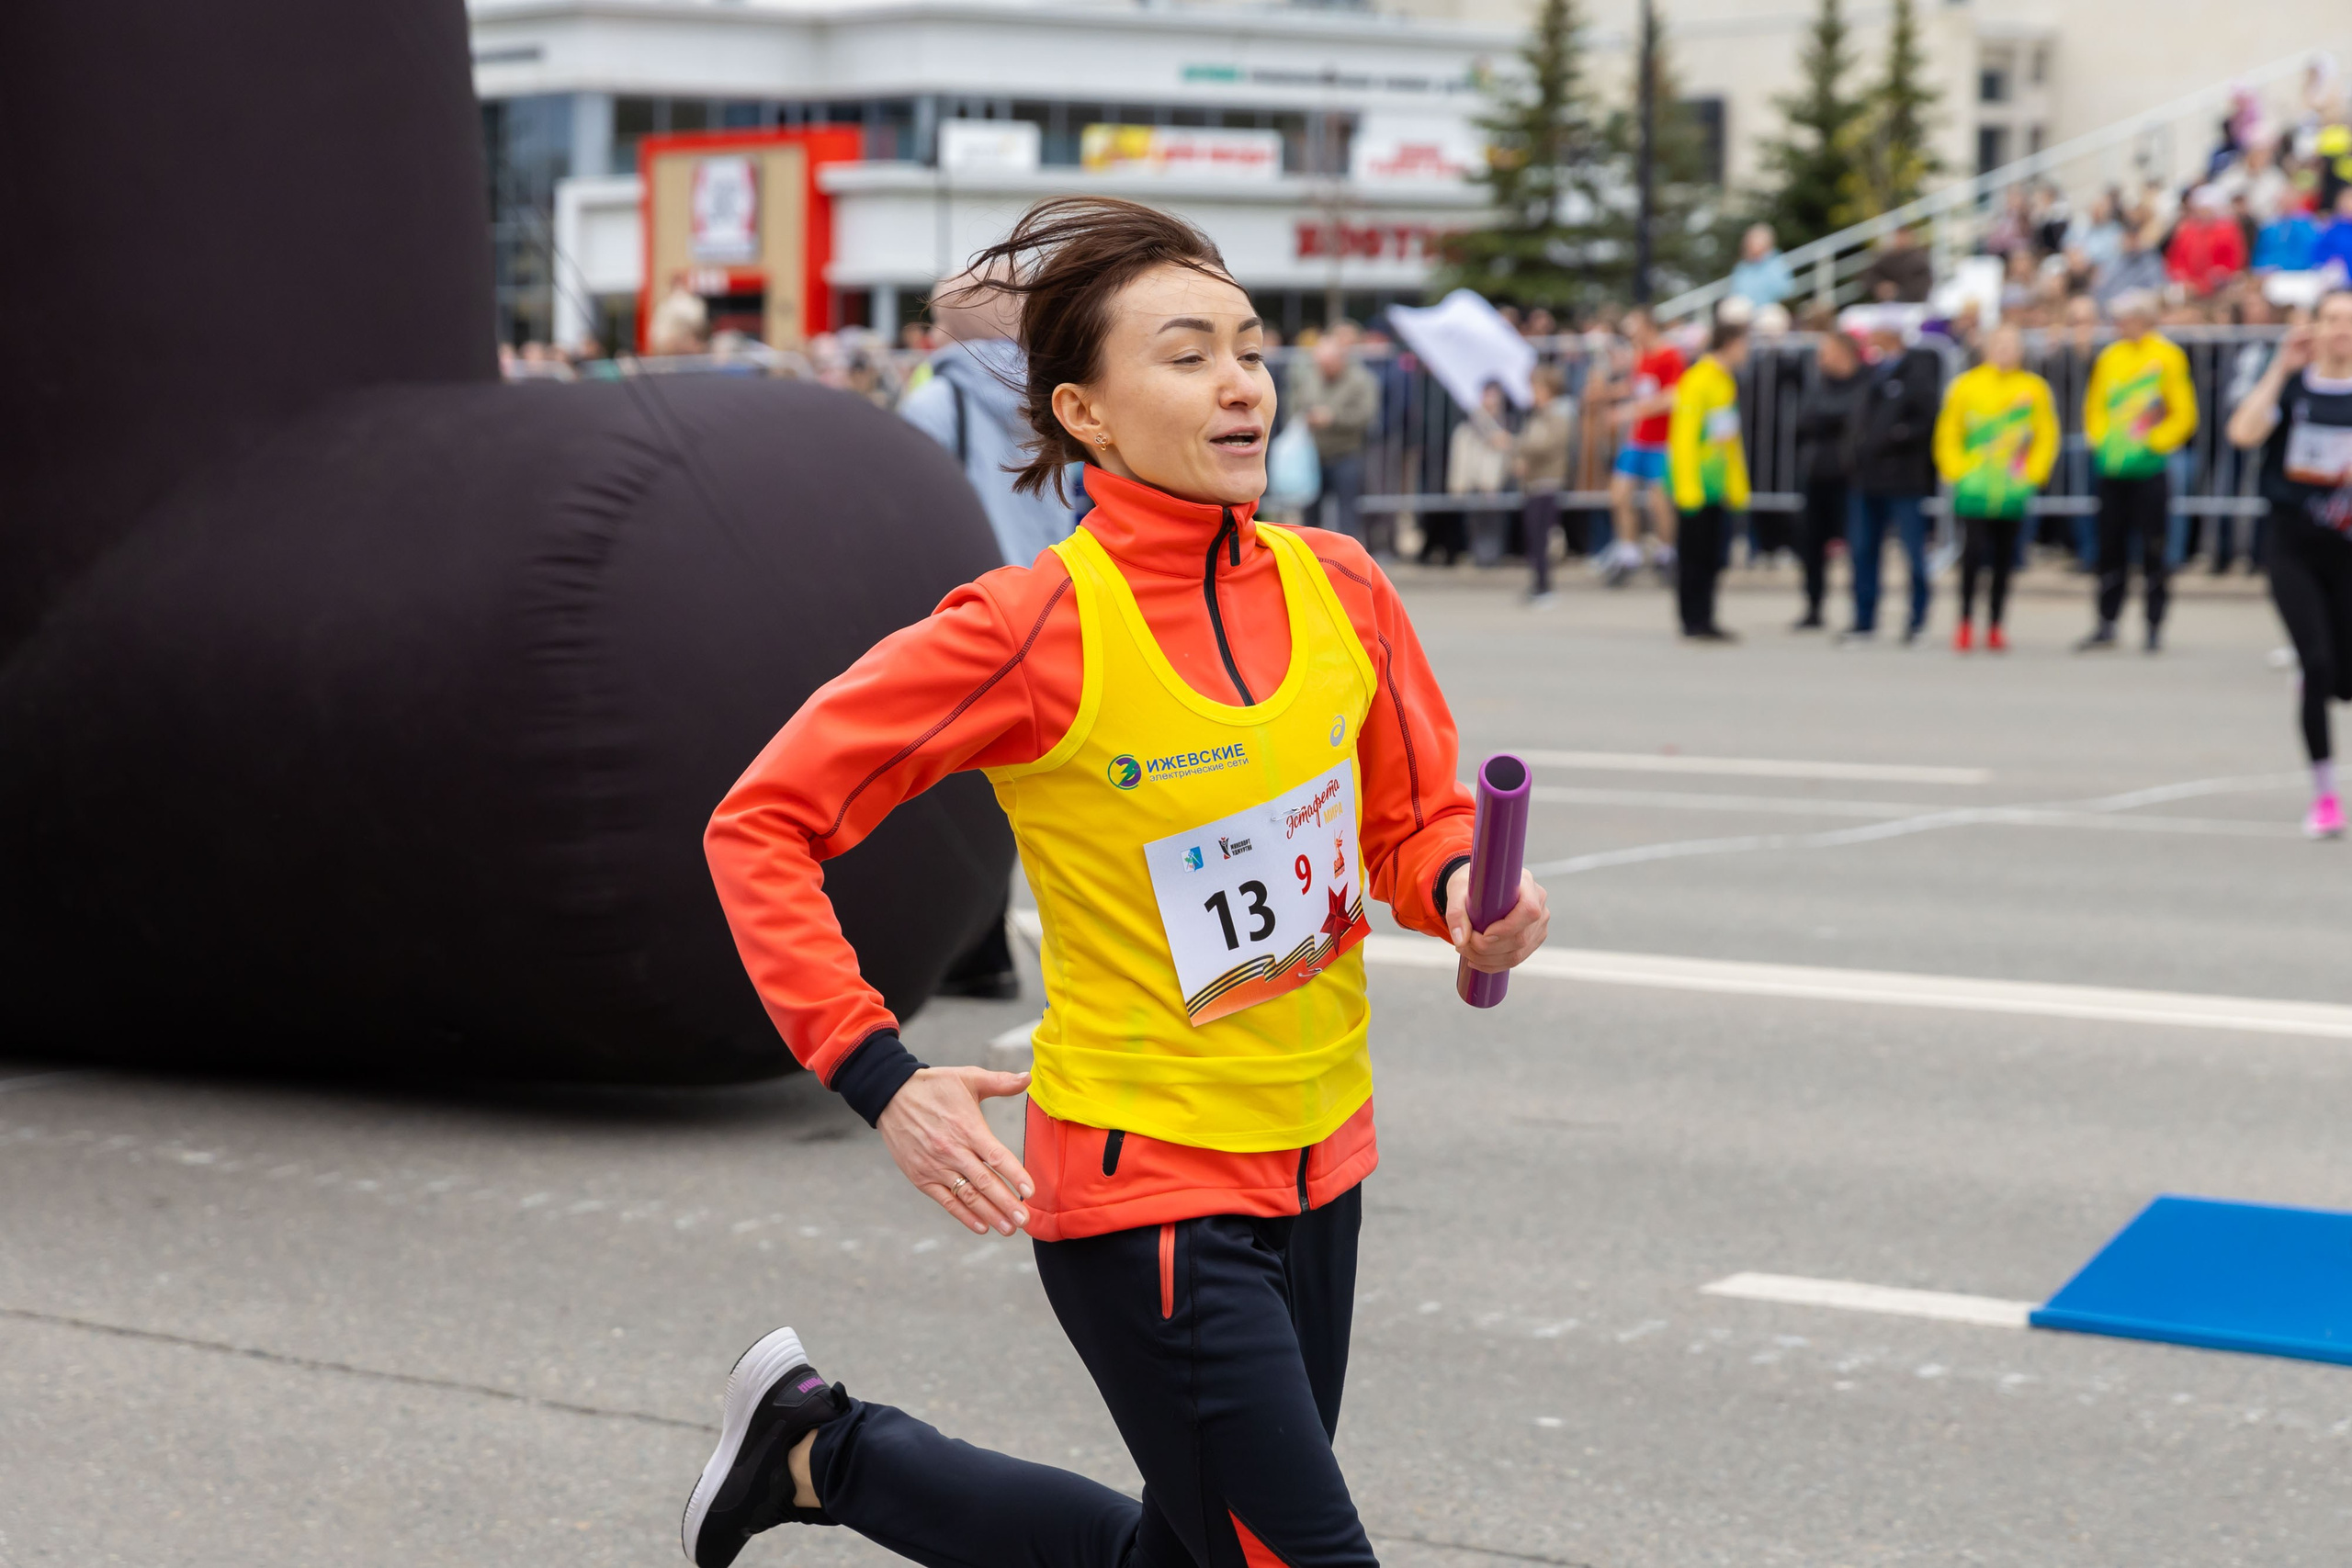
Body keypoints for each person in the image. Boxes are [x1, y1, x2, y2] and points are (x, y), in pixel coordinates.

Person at [681, 196, 1551, 1568]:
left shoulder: (1343, 585)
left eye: (1251, 347)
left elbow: (1412, 822)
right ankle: (822, 1448)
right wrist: (876, 1069)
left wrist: (1463, 891)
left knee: (1196, 1555)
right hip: (1149, 1190)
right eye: (1189, 352)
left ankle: (818, 1446)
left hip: (1323, 1163)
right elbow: (762, 821)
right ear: (1084, 413)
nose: (1242, 381)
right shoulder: (1031, 628)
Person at [899, 264, 1084, 1001]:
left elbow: (910, 496)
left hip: (973, 605)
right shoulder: (1060, 397)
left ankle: (975, 945)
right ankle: (1018, 943)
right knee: (1037, 774)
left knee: (954, 773)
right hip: (1055, 599)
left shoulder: (940, 398)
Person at [2227, 290, 2352, 837]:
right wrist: (2281, 367)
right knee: (2318, 664)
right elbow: (2242, 433)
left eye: (2350, 322)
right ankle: (2325, 796)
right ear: (2315, 329)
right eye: (2332, 320)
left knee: (2344, 682)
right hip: (2293, 547)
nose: (2341, 330)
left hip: (2348, 553)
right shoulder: (2295, 385)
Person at [2078, 290, 2198, 651]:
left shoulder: (2167, 357)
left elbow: (2184, 412)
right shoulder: (2111, 356)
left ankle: (2154, 624)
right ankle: (2106, 621)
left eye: (2127, 318)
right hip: (2113, 466)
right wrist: (2104, 440)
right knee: (2110, 546)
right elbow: (2096, 405)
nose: (2121, 325)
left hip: (2150, 467)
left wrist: (2154, 442)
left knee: (2153, 547)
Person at [1935, 322, 2058, 652]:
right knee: (1972, 556)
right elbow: (1949, 431)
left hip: (2012, 488)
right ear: (1987, 349)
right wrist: (1956, 469)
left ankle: (1995, 624)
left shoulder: (2033, 389)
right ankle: (1964, 621)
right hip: (1974, 487)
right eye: (1999, 344)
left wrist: (2033, 474)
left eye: (2011, 345)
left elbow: (2046, 435)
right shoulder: (1966, 386)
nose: (2005, 351)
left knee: (2006, 559)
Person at [1843, 323, 1941, 643]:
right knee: (1863, 551)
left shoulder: (1916, 373)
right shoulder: (1870, 374)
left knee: (1913, 552)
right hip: (1867, 477)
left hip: (1903, 479)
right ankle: (1864, 619)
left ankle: (1917, 620)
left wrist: (1895, 436)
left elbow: (1927, 420)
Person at [1666, 316, 1750, 642]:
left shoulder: (1724, 381)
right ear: (1729, 343)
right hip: (1697, 484)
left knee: (1714, 555)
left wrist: (1736, 484)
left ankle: (1707, 617)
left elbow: (1727, 439)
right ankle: (1692, 619)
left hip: (1717, 485)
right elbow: (1683, 438)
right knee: (1693, 556)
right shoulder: (1698, 380)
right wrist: (1687, 487)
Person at [1791, 329, 1866, 629]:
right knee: (1810, 546)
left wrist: (1826, 420)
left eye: (1827, 353)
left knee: (1859, 545)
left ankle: (1861, 610)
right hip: (1815, 474)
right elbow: (1804, 420)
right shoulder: (1817, 384)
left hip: (1849, 477)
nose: (1821, 359)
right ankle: (1813, 606)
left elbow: (1850, 418)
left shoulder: (1863, 384)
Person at [1601, 307, 1683, 585]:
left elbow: (1672, 396)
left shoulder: (1669, 355)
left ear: (1648, 326)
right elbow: (1637, 387)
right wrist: (1608, 394)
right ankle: (1628, 552)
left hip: (1662, 440)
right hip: (1638, 438)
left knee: (1658, 502)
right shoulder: (1641, 357)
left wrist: (1630, 412)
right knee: (1619, 495)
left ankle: (1665, 554)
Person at [1287, 321, 1379, 542]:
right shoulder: (1311, 378)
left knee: (1347, 511)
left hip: (1346, 453)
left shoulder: (1361, 380)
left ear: (1340, 360)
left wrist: (1333, 418)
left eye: (1329, 365)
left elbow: (1366, 416)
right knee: (1310, 510)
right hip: (1313, 454)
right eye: (1321, 364)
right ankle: (1310, 553)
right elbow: (1294, 406)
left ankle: (1349, 555)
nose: (1324, 369)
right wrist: (1306, 417)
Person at [1515, 362, 1577, 600]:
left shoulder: (1558, 414)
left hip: (1547, 481)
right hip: (1535, 481)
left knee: (1542, 536)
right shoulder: (1540, 415)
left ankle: (1544, 586)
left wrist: (1519, 447)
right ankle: (1538, 583)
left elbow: (1548, 444)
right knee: (1534, 536)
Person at [1448, 381, 1517, 567]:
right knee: (1475, 522)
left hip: (1496, 483)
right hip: (1474, 481)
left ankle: (1492, 557)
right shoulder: (1470, 426)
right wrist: (1458, 484)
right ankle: (1479, 556)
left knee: (1495, 523)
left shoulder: (1506, 424)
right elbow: (1461, 457)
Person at [2165, 186, 2250, 297]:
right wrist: (2183, 278)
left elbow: (2235, 259)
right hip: (2189, 285)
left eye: (2206, 209)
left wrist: (2216, 276)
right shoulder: (2186, 231)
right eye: (2200, 209)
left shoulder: (2228, 230)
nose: (2202, 213)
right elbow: (2176, 260)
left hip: (2219, 284)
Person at [1856, 226, 1933, 304]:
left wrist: (1897, 292)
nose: (1901, 240)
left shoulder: (1919, 259)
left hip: (1913, 303)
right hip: (1888, 304)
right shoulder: (1888, 257)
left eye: (1903, 236)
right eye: (1898, 237)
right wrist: (1880, 285)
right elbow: (1870, 275)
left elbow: (1922, 286)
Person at [1728, 223, 1794, 308]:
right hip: (1746, 311)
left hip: (1770, 309)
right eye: (1751, 242)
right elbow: (1736, 292)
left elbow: (1784, 292)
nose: (1752, 246)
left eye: (1756, 242)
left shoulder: (1777, 264)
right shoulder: (1741, 267)